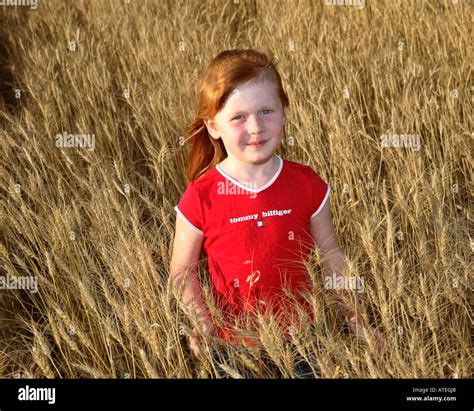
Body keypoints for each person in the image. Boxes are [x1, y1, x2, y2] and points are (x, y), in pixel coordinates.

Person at [169, 49, 385, 378]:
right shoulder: (201, 197)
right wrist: (200, 321)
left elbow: (332, 258)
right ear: (213, 126)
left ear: (284, 112)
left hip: (305, 342)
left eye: (266, 111)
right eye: (238, 117)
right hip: (232, 348)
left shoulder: (307, 184)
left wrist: (356, 319)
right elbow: (183, 272)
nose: (255, 127)